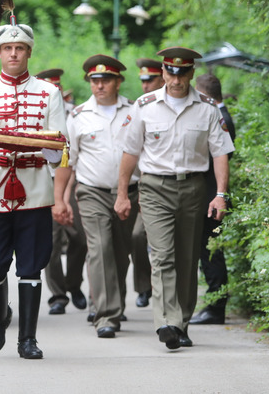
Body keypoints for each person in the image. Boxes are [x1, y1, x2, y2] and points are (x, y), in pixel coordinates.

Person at [115, 47, 234, 350]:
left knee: (187, 259)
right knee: (163, 256)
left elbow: (220, 153)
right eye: (171, 72)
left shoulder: (207, 108)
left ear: (192, 73)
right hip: (155, 188)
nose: (176, 79)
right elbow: (130, 153)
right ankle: (165, 322)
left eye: (183, 73)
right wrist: (122, 194)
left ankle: (181, 322)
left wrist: (220, 195)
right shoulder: (144, 106)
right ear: (163, 73)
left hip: (193, 189)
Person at [0, 21, 71, 359]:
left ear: (28, 52)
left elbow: (62, 144)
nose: (13, 53)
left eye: (20, 48)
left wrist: (55, 152)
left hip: (35, 190)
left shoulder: (48, 93)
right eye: (8, 48)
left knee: (30, 267)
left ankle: (28, 339)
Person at [66, 55, 139, 338]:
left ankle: (115, 302)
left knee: (121, 252)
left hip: (130, 193)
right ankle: (105, 314)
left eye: (106, 80)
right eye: (95, 81)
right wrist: (60, 199)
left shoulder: (135, 112)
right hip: (91, 191)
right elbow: (68, 161)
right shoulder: (79, 115)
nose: (99, 85)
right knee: (100, 249)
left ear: (118, 82)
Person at [36, 68, 88, 316]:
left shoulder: (73, 114)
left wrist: (67, 193)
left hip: (73, 182)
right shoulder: (32, 116)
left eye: (56, 88)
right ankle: (58, 295)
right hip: (44, 184)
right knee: (52, 244)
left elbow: (75, 157)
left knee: (80, 238)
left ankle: (74, 284)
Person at [189, 73, 237, 325]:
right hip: (210, 196)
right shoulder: (221, 115)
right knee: (207, 250)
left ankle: (216, 307)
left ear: (205, 95)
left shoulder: (220, 118)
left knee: (210, 252)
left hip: (210, 197)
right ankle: (214, 304)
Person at [129, 57, 164, 308]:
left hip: (170, 184)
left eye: (150, 79)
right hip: (142, 186)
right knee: (137, 237)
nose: (146, 85)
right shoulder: (140, 107)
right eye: (143, 80)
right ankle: (144, 286)